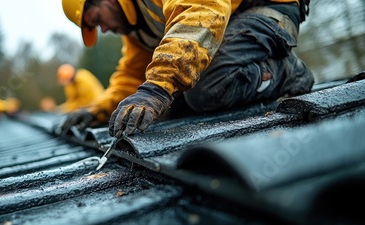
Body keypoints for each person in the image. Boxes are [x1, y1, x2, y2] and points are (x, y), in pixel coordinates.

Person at [60, 0, 314, 138]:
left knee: (205, 89)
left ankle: (286, 72)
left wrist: (157, 88)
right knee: (176, 107)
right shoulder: (137, 30)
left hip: (269, 10)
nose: (103, 29)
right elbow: (130, 76)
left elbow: (202, 14)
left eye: (96, 20)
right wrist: (99, 110)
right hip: (229, 20)